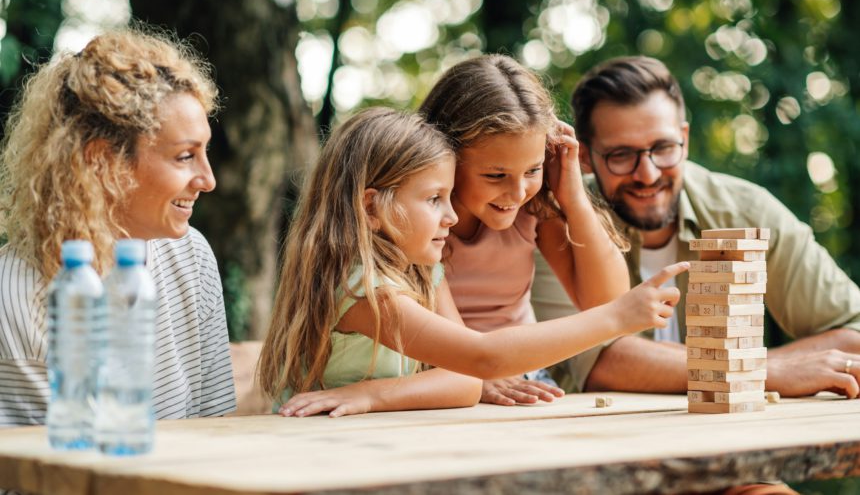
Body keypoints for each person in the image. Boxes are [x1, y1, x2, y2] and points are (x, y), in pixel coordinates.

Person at [257, 107, 688, 418]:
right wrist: (616, 317)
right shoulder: (362, 290)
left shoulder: (422, 270)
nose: (451, 216)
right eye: (433, 199)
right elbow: (481, 360)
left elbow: (463, 380)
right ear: (371, 208)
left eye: (448, 197)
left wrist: (373, 394)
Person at [532, 55, 860, 398]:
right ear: (584, 156)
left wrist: (758, 370)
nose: (648, 174)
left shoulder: (745, 211)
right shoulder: (556, 219)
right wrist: (765, 370)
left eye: (663, 148)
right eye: (621, 155)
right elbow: (595, 361)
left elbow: (853, 332)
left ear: (684, 139)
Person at [0, 29, 236, 428]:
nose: (208, 179)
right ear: (103, 162)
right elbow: (54, 476)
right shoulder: (18, 294)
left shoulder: (190, 257)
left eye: (204, 151)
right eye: (184, 156)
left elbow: (215, 426)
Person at [418, 54, 631, 406]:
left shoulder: (534, 208)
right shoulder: (418, 214)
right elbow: (449, 347)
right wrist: (476, 379)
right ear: (446, 157)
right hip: (438, 379)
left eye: (532, 171)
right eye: (496, 175)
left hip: (523, 379)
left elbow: (608, 302)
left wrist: (571, 194)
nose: (516, 193)